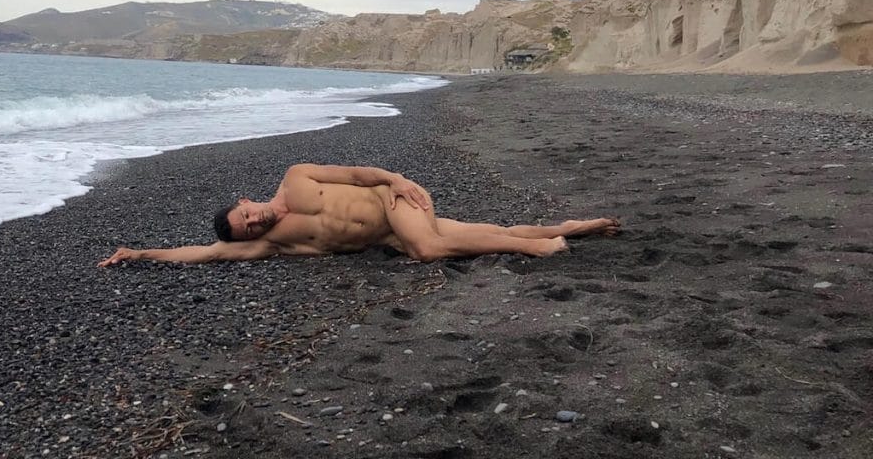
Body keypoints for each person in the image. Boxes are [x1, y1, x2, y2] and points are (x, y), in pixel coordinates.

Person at [98, 163, 620, 268]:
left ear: (242, 201)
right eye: (247, 229)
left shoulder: (297, 176)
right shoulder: (277, 242)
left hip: (396, 205)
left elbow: (356, 173)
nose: (253, 223)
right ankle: (576, 227)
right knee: (488, 232)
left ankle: (538, 249)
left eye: (247, 215)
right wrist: (143, 252)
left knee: (430, 249)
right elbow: (209, 253)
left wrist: (395, 181)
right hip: (384, 240)